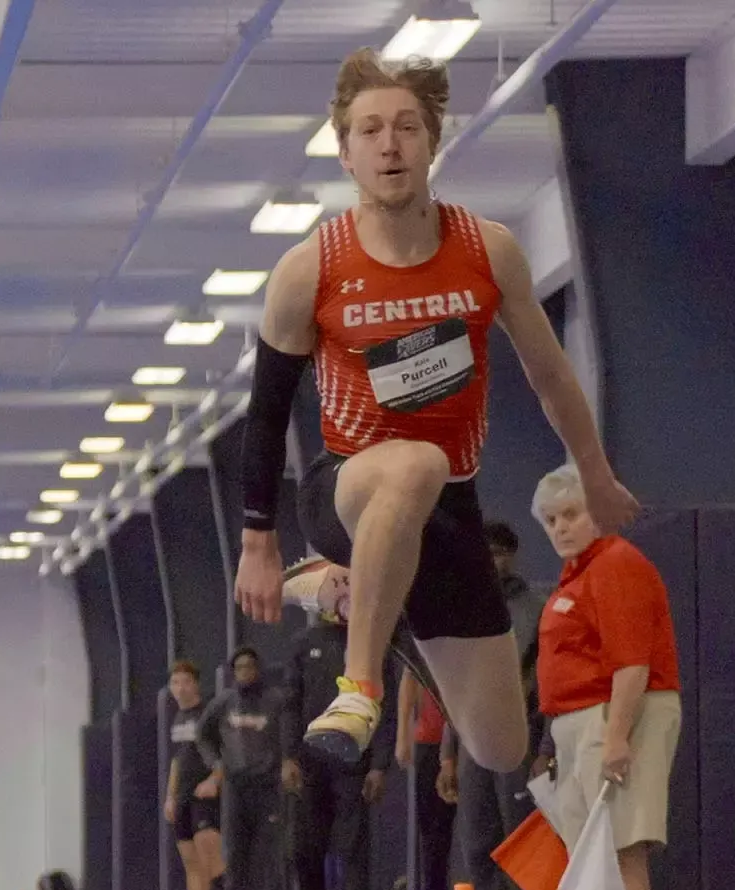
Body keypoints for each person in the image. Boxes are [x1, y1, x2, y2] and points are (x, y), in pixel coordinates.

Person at [233, 46, 639, 774]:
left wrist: (597, 476)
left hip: (448, 503)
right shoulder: (310, 269)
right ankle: (357, 685)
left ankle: (358, 595)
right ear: (347, 152)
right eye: (370, 130)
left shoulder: (488, 251)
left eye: (408, 127)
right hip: (347, 487)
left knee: (501, 748)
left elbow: (551, 376)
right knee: (413, 461)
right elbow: (265, 415)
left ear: (432, 141)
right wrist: (257, 541)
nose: (390, 143)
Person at [531, 463, 683, 890]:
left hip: (615, 714)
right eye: (551, 520)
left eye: (571, 514)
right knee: (588, 854)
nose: (561, 528)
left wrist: (617, 737)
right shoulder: (576, 576)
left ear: (597, 512)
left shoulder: (616, 563)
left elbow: (632, 661)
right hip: (578, 721)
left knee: (620, 849)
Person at [442, 521, 545, 890]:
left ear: (512, 557)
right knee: (477, 841)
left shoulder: (535, 606)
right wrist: (447, 755)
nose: (494, 561)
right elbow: (454, 684)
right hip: (472, 738)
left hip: (519, 735)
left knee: (519, 840)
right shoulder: (463, 607)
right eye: (487, 552)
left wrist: (545, 747)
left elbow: (544, 672)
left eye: (501, 553)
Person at [283, 609, 397, 890]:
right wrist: (288, 757)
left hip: (354, 761)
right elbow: (291, 703)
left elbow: (387, 710)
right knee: (305, 848)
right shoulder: (303, 642)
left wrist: (379, 766)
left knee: (353, 848)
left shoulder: (370, 647)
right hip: (310, 762)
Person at [195, 647, 287, 890]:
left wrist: (285, 763)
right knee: (235, 854)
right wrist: (215, 763)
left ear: (258, 670)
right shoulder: (224, 702)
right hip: (236, 787)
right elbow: (202, 734)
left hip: (268, 788)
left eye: (249, 667)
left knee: (271, 855)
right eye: (239, 667)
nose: (245, 672)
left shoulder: (275, 700)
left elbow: (291, 735)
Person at [163, 660, 225, 890]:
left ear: (196, 684)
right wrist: (170, 796)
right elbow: (176, 762)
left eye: (186, 682)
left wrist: (214, 780)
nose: (181, 688)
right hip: (183, 797)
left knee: (212, 859)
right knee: (192, 864)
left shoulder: (209, 713)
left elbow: (227, 752)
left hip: (205, 796)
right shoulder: (178, 718)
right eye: (175, 683)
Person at [394, 669, 455, 890]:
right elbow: (410, 675)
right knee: (432, 837)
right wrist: (403, 735)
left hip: (468, 740)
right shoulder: (422, 636)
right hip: (430, 739)